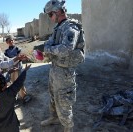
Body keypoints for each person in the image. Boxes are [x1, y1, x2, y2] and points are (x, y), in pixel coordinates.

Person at [41, 0, 85, 132]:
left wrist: (48, 49)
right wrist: (47, 48)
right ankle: (54, 117)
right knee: (53, 96)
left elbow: (66, 49)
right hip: (55, 68)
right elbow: (49, 44)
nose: (50, 18)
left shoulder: (71, 28)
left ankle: (68, 127)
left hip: (65, 72)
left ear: (58, 12)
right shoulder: (58, 28)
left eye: (50, 15)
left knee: (64, 100)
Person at [0, 64, 31, 132]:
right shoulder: (10, 93)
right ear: (5, 86)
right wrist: (25, 70)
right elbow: (19, 81)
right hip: (12, 127)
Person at [5, 35, 32, 104]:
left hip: (18, 68)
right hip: (11, 69)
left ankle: (24, 96)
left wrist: (23, 59)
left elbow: (20, 58)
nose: (11, 42)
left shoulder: (17, 49)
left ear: (14, 41)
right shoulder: (6, 52)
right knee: (13, 82)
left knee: (20, 82)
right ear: (7, 42)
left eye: (12, 40)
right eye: (9, 41)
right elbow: (7, 61)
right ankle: (16, 96)